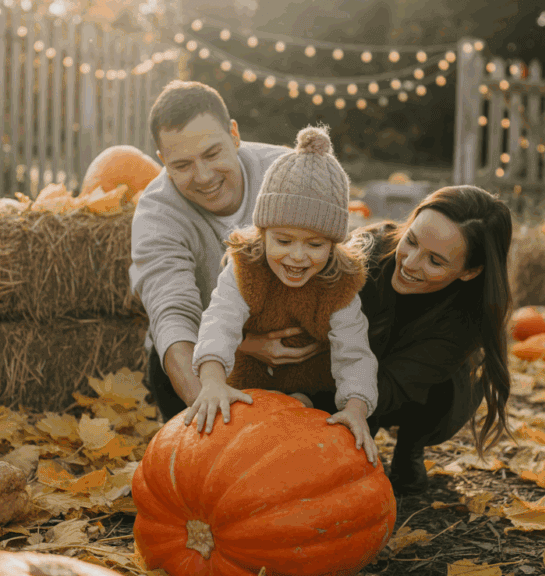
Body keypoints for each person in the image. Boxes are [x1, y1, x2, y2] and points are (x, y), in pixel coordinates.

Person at [280, 185, 513, 497]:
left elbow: (391, 386)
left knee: (451, 386)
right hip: (331, 365)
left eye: (435, 261)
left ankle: (410, 446)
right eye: (412, 241)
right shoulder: (361, 256)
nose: (410, 263)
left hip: (400, 384)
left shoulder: (466, 318)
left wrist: (351, 408)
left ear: (469, 272)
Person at [130, 80, 326, 421]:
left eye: (212, 153)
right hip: (210, 356)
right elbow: (173, 316)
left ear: (234, 134)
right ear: (162, 161)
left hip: (297, 345)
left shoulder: (289, 176)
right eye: (182, 165)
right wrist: (213, 409)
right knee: (167, 349)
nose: (203, 176)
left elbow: (335, 269)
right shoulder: (156, 214)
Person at [185, 124, 380, 467]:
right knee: (231, 454)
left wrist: (355, 408)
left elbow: (355, 353)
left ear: (333, 244)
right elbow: (220, 319)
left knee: (302, 455)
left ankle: (304, 409)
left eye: (315, 244)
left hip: (312, 387)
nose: (297, 256)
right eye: (284, 240)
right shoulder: (245, 265)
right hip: (250, 386)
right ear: (263, 233)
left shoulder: (340, 282)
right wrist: (213, 380)